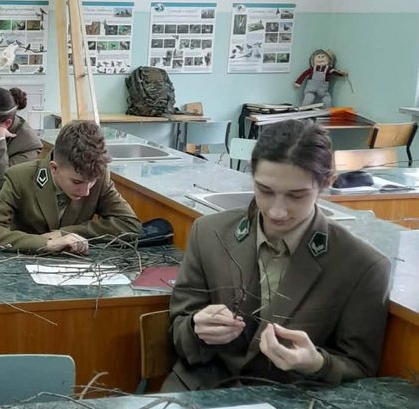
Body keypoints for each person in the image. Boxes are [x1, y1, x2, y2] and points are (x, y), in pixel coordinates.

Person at [165, 119, 391, 391]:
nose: (277, 211)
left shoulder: (362, 266)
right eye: (265, 191)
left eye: (296, 196)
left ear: (327, 183)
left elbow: (360, 367)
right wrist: (195, 329)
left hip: (290, 404)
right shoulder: (209, 233)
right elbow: (178, 330)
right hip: (198, 392)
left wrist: (317, 364)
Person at [0, 119, 141, 254]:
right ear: (54, 168)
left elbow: (130, 225)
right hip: (24, 268)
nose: (86, 191)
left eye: (92, 182)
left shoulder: (99, 176)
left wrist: (66, 234)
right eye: (77, 182)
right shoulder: (20, 177)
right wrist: (46, 243)